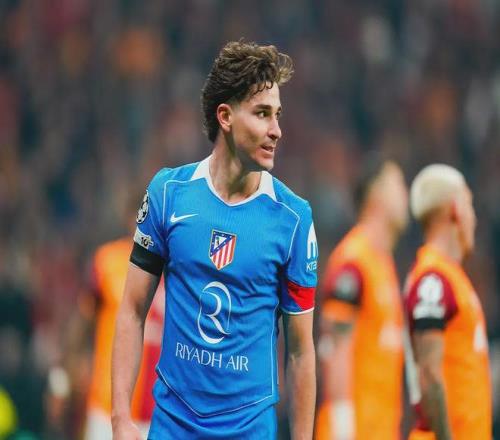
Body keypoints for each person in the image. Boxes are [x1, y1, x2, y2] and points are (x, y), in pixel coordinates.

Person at [111, 41, 318, 439]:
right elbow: (133, 310)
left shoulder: (293, 219)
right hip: (173, 425)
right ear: (225, 116)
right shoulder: (168, 193)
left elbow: (300, 351)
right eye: (262, 114)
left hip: (250, 428)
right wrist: (121, 417)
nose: (276, 130)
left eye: (277, 115)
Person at [315, 157, 408, 440]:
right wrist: (343, 426)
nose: (405, 193)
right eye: (397, 184)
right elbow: (335, 346)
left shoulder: (384, 265)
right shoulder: (353, 262)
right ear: (375, 194)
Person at [404, 164, 491, 440]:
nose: (474, 218)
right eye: (469, 204)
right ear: (455, 208)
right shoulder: (433, 279)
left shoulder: (451, 276)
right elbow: (430, 373)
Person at [83, 198, 164, 439]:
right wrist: (66, 372)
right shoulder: (107, 261)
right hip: (108, 405)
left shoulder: (176, 269)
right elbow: (83, 322)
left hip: (158, 411)